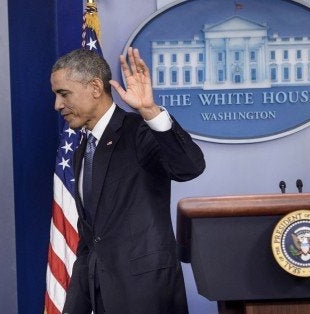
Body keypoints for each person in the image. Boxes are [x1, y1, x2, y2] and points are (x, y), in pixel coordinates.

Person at [51, 47, 205, 313]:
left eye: (64, 94)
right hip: (99, 296)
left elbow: (189, 167)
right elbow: (90, 240)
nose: (58, 105)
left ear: (95, 87)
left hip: (147, 295)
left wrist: (151, 112)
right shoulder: (81, 152)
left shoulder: (139, 132)